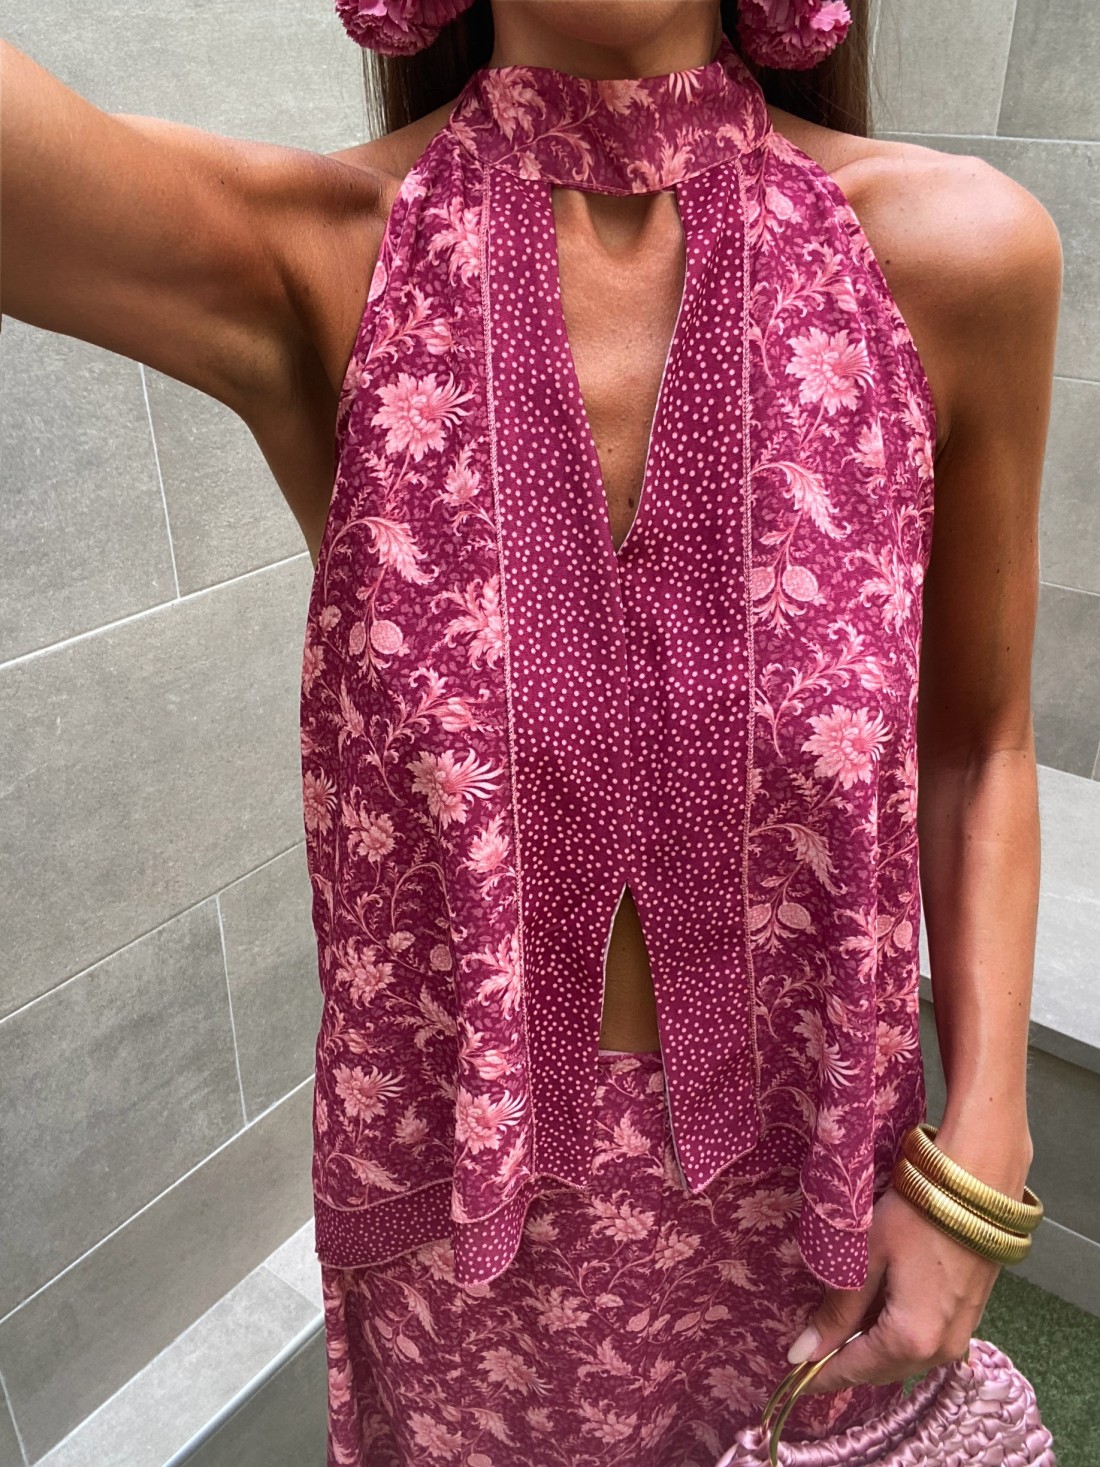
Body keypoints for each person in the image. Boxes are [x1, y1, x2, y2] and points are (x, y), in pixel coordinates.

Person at [0, 2, 1059, 1463]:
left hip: (819, 1217)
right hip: (461, 1252)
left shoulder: (959, 258)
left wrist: (981, 1150)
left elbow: (980, 746)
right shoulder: (322, 260)